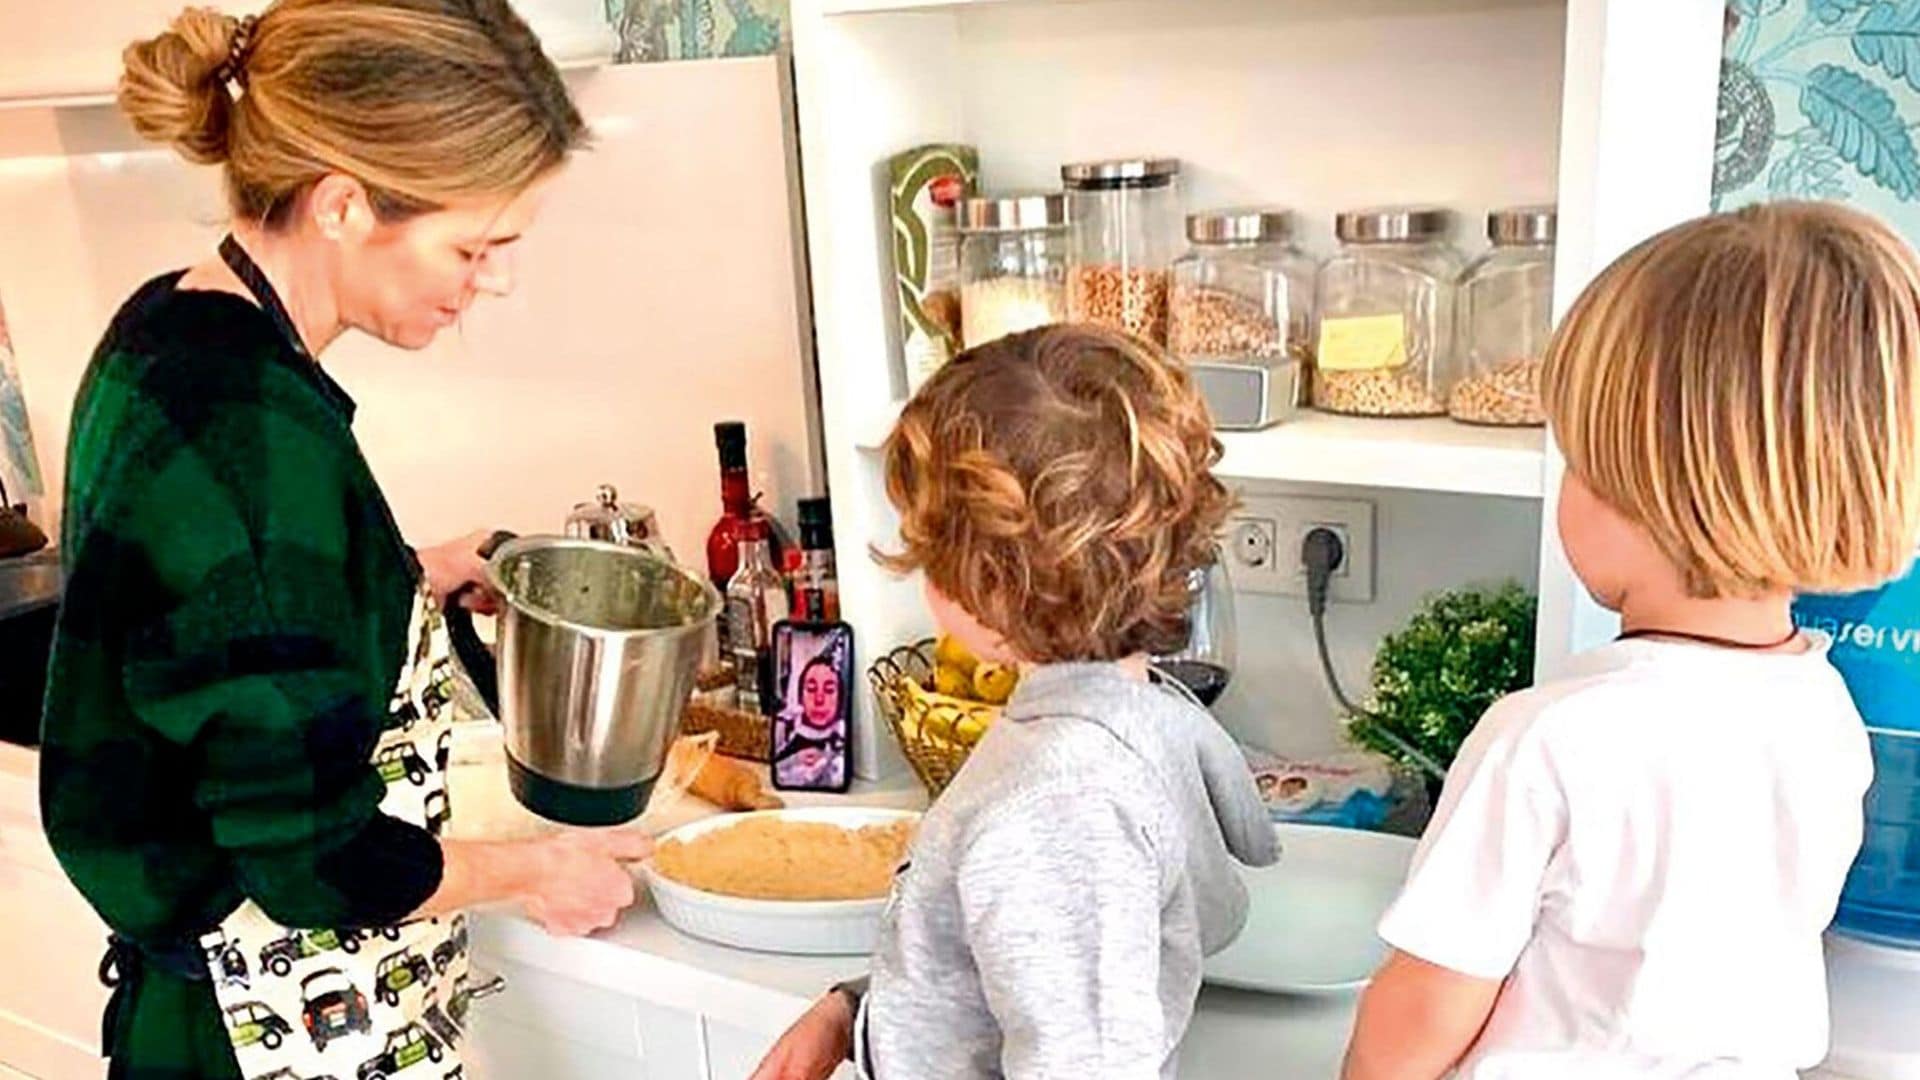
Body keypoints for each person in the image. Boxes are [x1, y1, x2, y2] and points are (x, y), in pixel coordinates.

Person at [39, 4, 652, 1077]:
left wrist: (410, 573)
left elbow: (227, 614)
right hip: (252, 1032)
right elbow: (312, 861)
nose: (492, 280)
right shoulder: (255, 435)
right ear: (343, 205)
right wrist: (539, 869)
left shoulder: (176, 325)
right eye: (474, 244)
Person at [1342, 201, 1920, 1078]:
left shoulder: (1547, 738)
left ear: (1651, 492)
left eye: (1577, 457)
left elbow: (1426, 1001)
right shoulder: (1825, 711)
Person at [751, 324, 1278, 1080]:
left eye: (929, 553)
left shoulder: (1055, 803)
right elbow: (1029, 970)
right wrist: (856, 1010)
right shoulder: (1148, 714)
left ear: (994, 590)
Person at [774, 653, 848, 789]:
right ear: (800, 695)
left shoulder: (844, 736)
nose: (819, 699)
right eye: (811, 689)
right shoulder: (784, 729)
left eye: (829, 690)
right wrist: (794, 760)